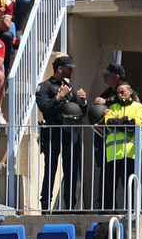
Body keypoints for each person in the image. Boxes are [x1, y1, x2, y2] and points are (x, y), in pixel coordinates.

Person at [36, 54, 86, 211]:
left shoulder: (70, 88)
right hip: (53, 132)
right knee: (50, 169)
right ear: (60, 68)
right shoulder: (44, 87)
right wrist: (58, 97)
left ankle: (70, 205)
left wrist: (83, 101)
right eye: (68, 68)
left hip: (70, 134)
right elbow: (44, 107)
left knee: (71, 170)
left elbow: (80, 113)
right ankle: (45, 205)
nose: (71, 70)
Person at [101, 78, 142, 212]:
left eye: (123, 92)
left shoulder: (138, 106)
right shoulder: (113, 107)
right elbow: (109, 123)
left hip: (131, 153)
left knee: (129, 185)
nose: (120, 95)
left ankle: (131, 210)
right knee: (110, 185)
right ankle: (109, 211)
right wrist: (126, 121)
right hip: (113, 153)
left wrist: (120, 122)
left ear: (130, 92)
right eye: (118, 93)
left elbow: (137, 123)